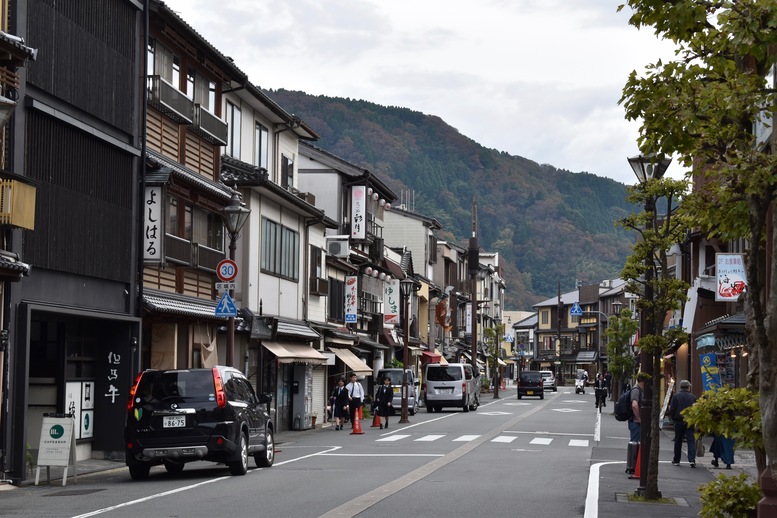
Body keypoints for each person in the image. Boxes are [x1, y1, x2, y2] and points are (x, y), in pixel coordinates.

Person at [669, 379, 698, 467]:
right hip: (690, 421)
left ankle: (676, 460)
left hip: (678, 421)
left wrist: (673, 418)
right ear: (688, 387)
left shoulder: (676, 396)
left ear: (681, 387)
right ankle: (692, 460)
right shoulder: (693, 397)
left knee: (678, 441)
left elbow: (672, 409)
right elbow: (696, 410)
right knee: (691, 441)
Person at [629, 372, 649, 443]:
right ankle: (633, 454)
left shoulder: (639, 390)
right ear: (643, 382)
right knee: (635, 443)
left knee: (637, 443)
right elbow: (634, 405)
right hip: (635, 421)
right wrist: (638, 418)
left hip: (636, 421)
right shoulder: (636, 390)